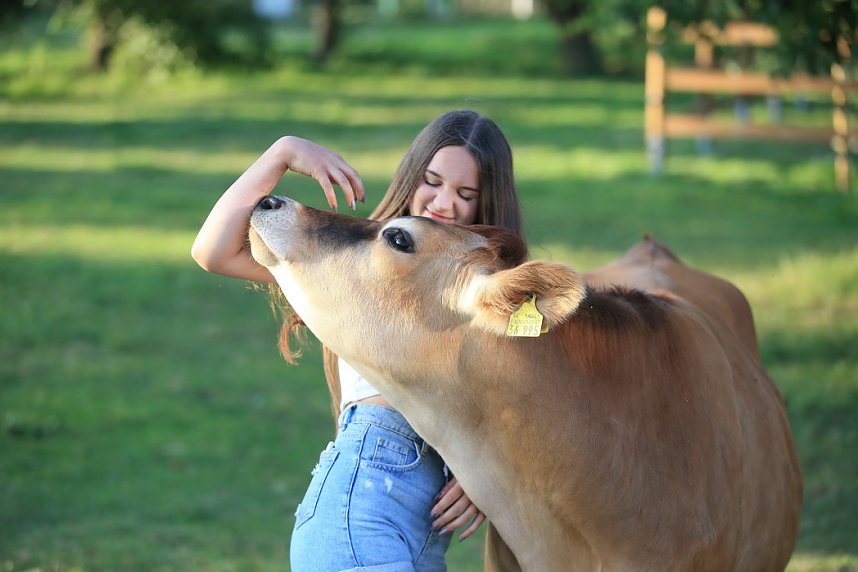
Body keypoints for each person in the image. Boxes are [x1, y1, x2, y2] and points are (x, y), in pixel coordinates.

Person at [192, 109, 525, 571]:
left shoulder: (489, 292)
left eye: (465, 194)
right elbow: (213, 251)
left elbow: (523, 392)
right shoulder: (360, 264)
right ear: (411, 176)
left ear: (488, 203)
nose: (443, 203)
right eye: (432, 181)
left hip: (427, 534)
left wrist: (484, 471)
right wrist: (282, 153)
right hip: (361, 501)